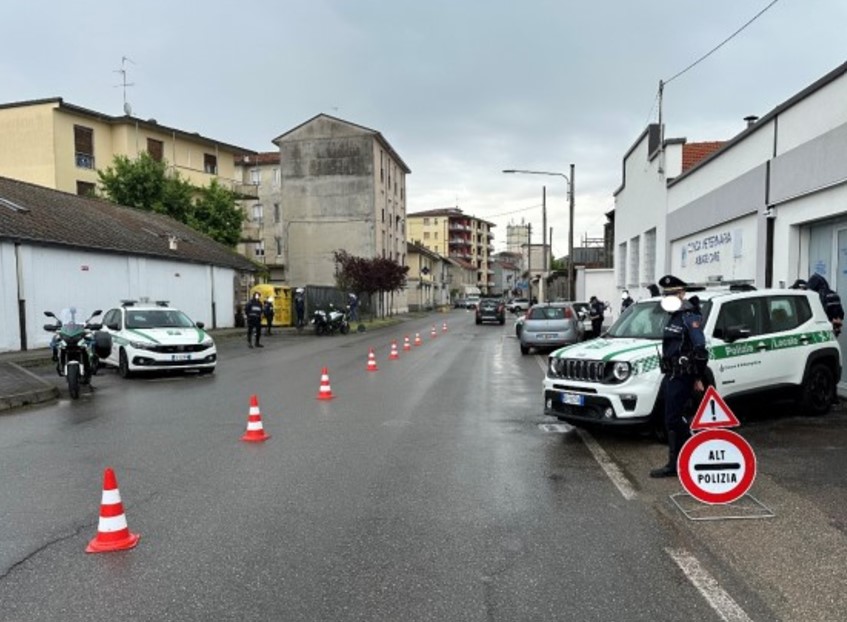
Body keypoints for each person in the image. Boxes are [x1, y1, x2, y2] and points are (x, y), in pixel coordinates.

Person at [650, 274, 709, 478]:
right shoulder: (674, 315)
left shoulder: (689, 316)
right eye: (666, 294)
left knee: (674, 420)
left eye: (673, 293)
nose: (669, 297)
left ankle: (683, 459)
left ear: (682, 293)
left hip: (682, 375)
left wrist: (697, 377)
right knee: (670, 420)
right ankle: (677, 462)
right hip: (671, 375)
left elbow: (701, 349)